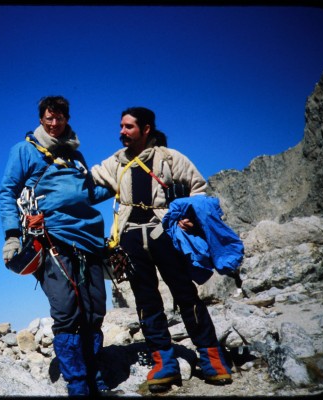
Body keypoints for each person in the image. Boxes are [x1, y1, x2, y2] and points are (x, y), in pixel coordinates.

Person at [90, 107, 233, 393]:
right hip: (130, 237)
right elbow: (87, 179)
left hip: (165, 234)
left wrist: (191, 215)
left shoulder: (170, 158)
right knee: (146, 302)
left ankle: (211, 357)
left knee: (185, 294)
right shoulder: (116, 162)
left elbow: (198, 187)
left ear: (146, 129)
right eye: (121, 126)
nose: (122, 132)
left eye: (129, 127)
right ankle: (163, 362)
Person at [0, 96, 114, 396]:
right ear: (41, 118)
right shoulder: (24, 150)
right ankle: (78, 386)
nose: (54, 123)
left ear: (66, 118)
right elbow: (7, 191)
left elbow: (86, 193)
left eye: (59, 117)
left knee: (94, 311)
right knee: (66, 311)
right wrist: (12, 235)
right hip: (51, 238)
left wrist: (121, 180)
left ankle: (96, 380)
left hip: (88, 238)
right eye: (49, 118)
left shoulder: (77, 156)